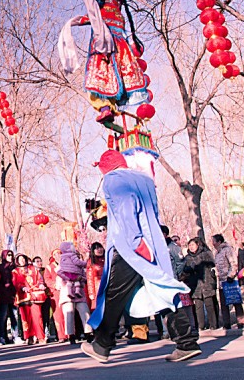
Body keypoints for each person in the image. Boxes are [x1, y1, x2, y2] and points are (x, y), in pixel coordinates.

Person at [82, 150, 200, 363]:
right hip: (153, 241)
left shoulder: (113, 179)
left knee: (114, 294)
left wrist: (136, 242)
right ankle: (187, 342)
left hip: (131, 246)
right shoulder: (144, 179)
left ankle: (102, 345)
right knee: (161, 287)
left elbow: (128, 208)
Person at [58, 0, 152, 124]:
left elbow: (97, 11)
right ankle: (110, 107)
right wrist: (78, 21)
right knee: (119, 70)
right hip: (119, 37)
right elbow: (103, 14)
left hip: (104, 37)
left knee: (99, 71)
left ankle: (105, 107)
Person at [12, 255, 47, 345]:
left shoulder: (33, 268)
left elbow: (39, 279)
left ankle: (41, 337)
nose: (22, 261)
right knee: (26, 319)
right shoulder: (15, 271)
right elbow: (15, 282)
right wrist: (22, 288)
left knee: (37, 316)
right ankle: (29, 337)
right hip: (23, 297)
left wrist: (41, 285)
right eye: (20, 259)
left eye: (23, 259)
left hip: (34, 296)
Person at [212, 234, 244, 329]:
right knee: (223, 303)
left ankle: (240, 321)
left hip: (230, 280)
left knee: (235, 301)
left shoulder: (228, 249)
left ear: (219, 242)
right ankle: (226, 323)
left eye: (214, 241)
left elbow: (233, 263)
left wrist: (231, 275)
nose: (213, 243)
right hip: (222, 281)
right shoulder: (217, 252)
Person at [0, 250, 20, 344]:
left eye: (11, 255)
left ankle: (16, 336)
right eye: (8, 255)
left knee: (14, 316)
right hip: (3, 295)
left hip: (13, 295)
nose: (10, 256)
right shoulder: (0, 267)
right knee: (3, 317)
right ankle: (2, 336)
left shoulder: (14, 267)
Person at [86, 242, 105, 312]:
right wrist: (91, 293)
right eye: (96, 248)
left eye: (100, 247)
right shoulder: (91, 262)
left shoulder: (106, 259)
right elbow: (89, 278)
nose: (99, 250)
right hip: (97, 288)